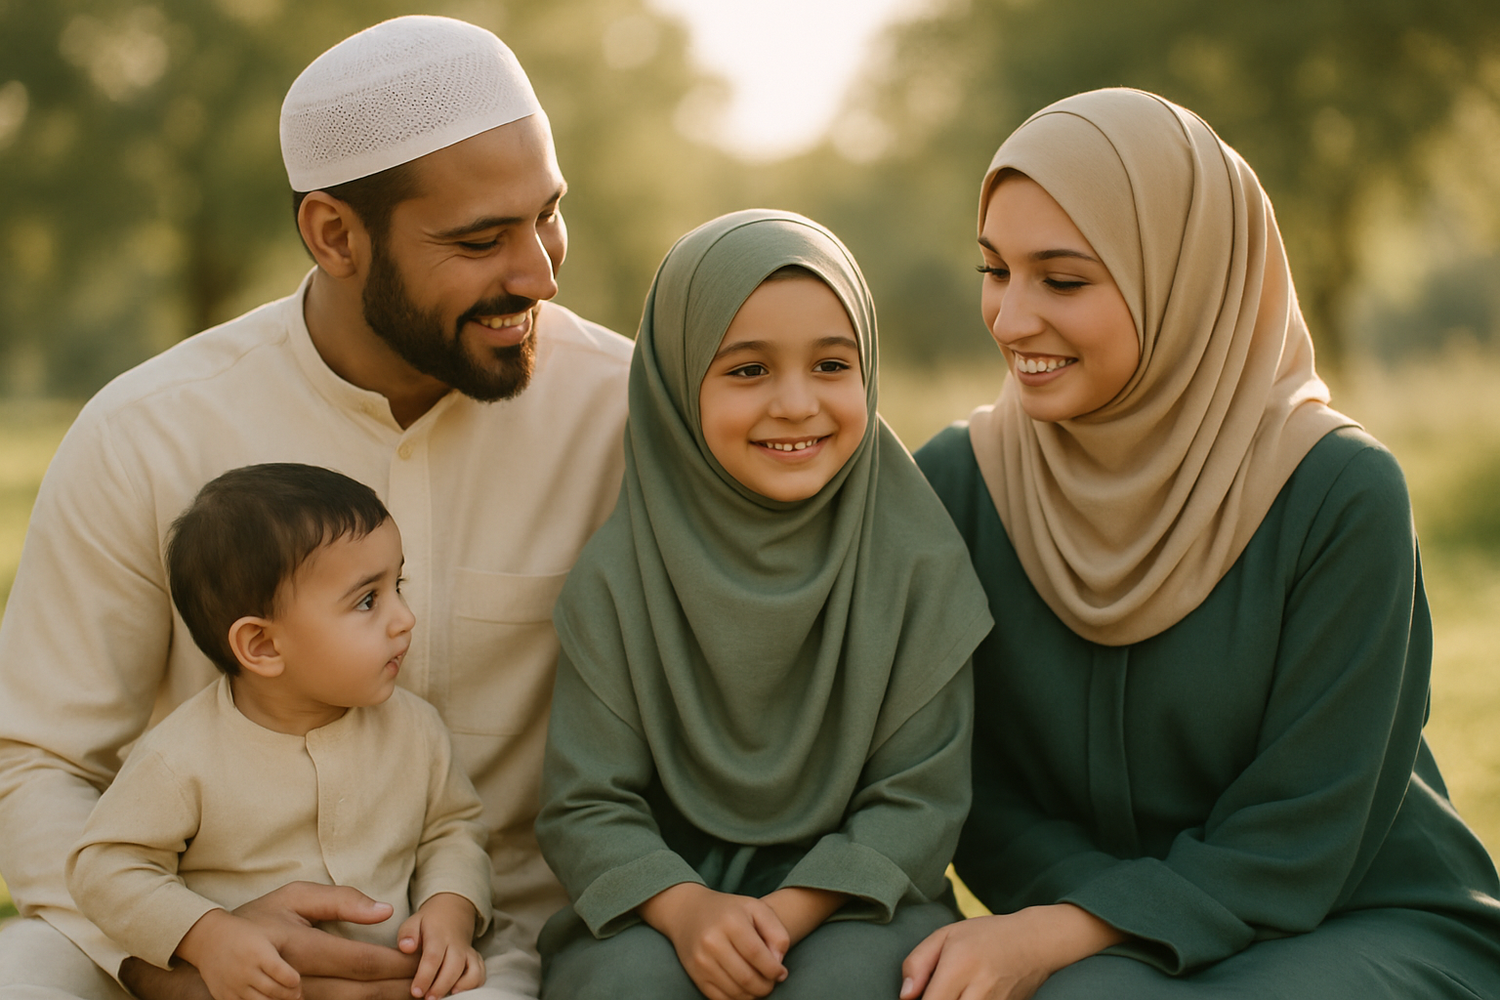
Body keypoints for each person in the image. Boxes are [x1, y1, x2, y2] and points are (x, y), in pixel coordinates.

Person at [0, 15, 632, 1000]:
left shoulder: (631, 413)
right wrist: (187, 956)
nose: (540, 275)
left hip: (498, 954)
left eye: (547, 213)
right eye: (480, 239)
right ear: (335, 233)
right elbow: (35, 763)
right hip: (200, 939)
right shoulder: (145, 433)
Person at [902, 88, 1500, 999]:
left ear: (1185, 278)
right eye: (995, 270)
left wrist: (1077, 927)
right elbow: (960, 773)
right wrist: (1085, 922)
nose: (1012, 319)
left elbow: (1311, 820)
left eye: (1062, 279)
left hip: (1360, 915)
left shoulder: (1337, 490)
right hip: (1094, 934)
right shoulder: (959, 483)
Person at [533, 209, 994, 1000]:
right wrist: (684, 910)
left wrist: (788, 910)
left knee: (860, 985)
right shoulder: (621, 576)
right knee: (626, 987)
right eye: (747, 371)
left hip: (859, 902)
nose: (795, 403)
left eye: (831, 366)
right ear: (679, 386)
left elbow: (921, 795)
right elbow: (586, 803)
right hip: (661, 898)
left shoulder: (917, 561)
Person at [67, 464, 492, 1000]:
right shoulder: (182, 757)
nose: (404, 618)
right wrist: (207, 936)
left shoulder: (416, 729)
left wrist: (451, 906)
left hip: (402, 982)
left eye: (398, 584)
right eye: (368, 600)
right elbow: (105, 868)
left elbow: (452, 829)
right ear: (263, 646)